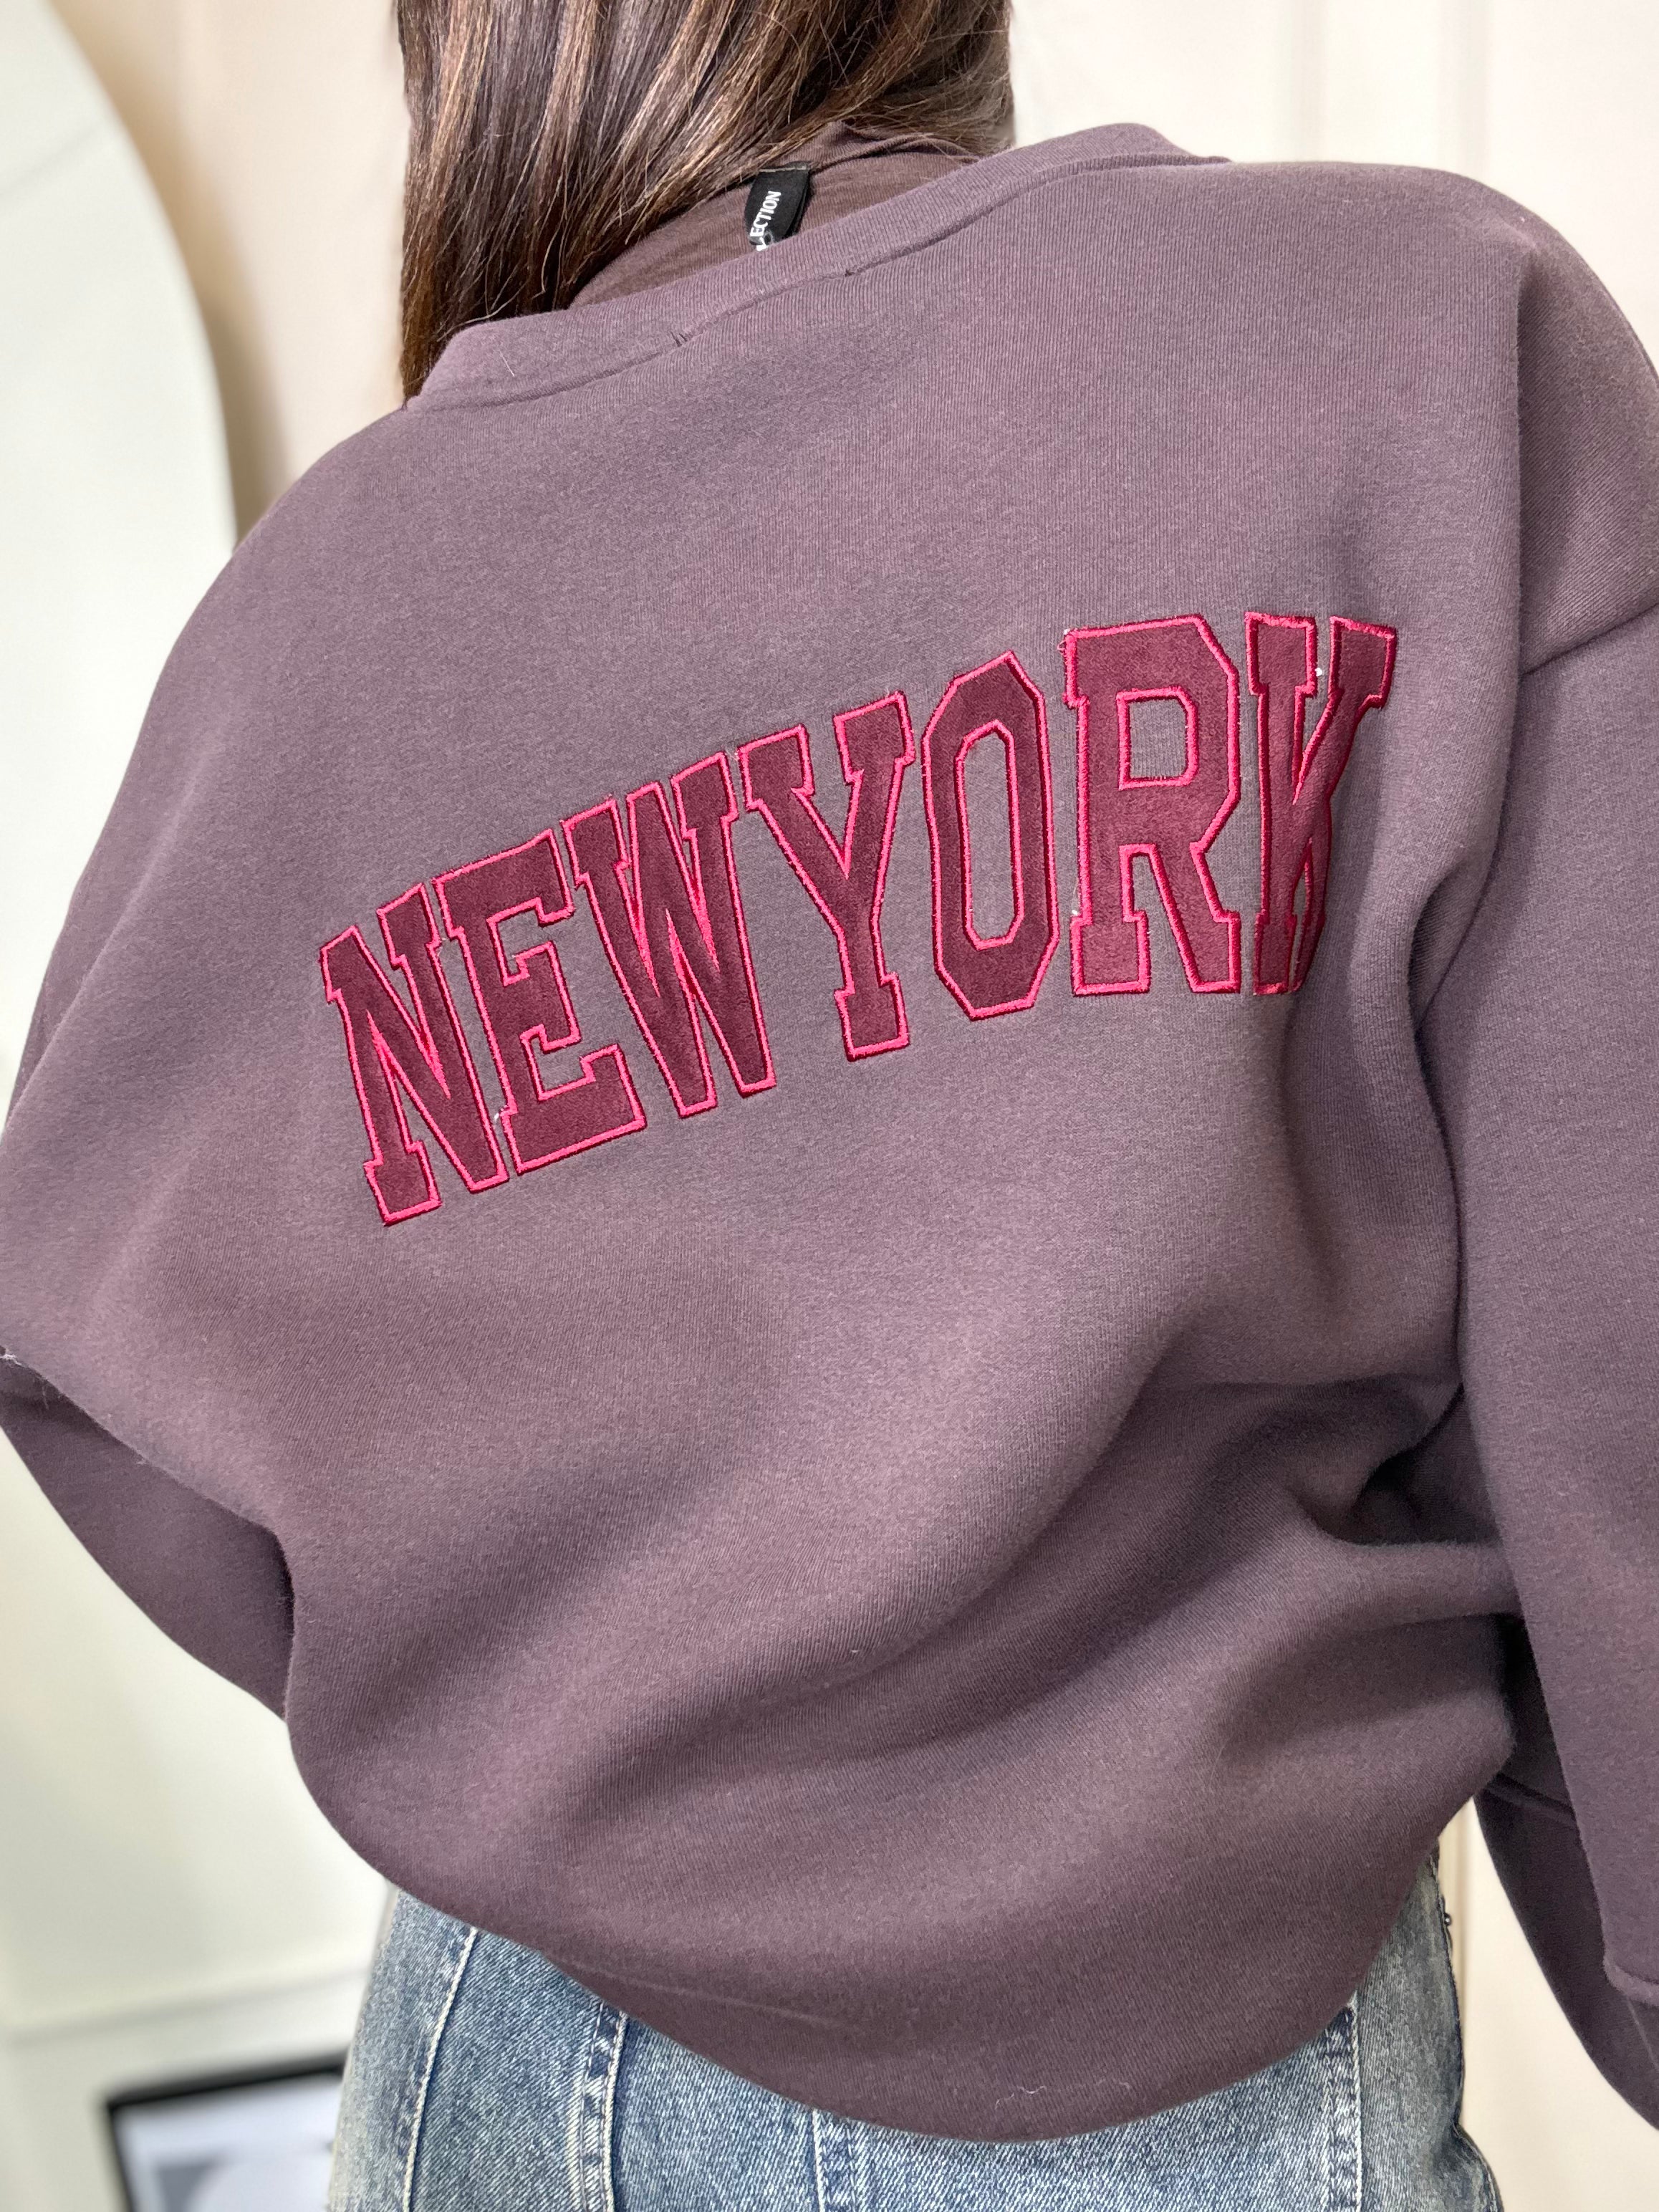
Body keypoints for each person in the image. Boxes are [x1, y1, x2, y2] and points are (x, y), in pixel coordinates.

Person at [3, 0, 1658, 2201]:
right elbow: (1613, 1344)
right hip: (1168, 2094)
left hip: (489, 2051)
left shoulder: (316, 601)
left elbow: (81, 1338)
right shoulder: (1421, 344)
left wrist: (524, 1717)